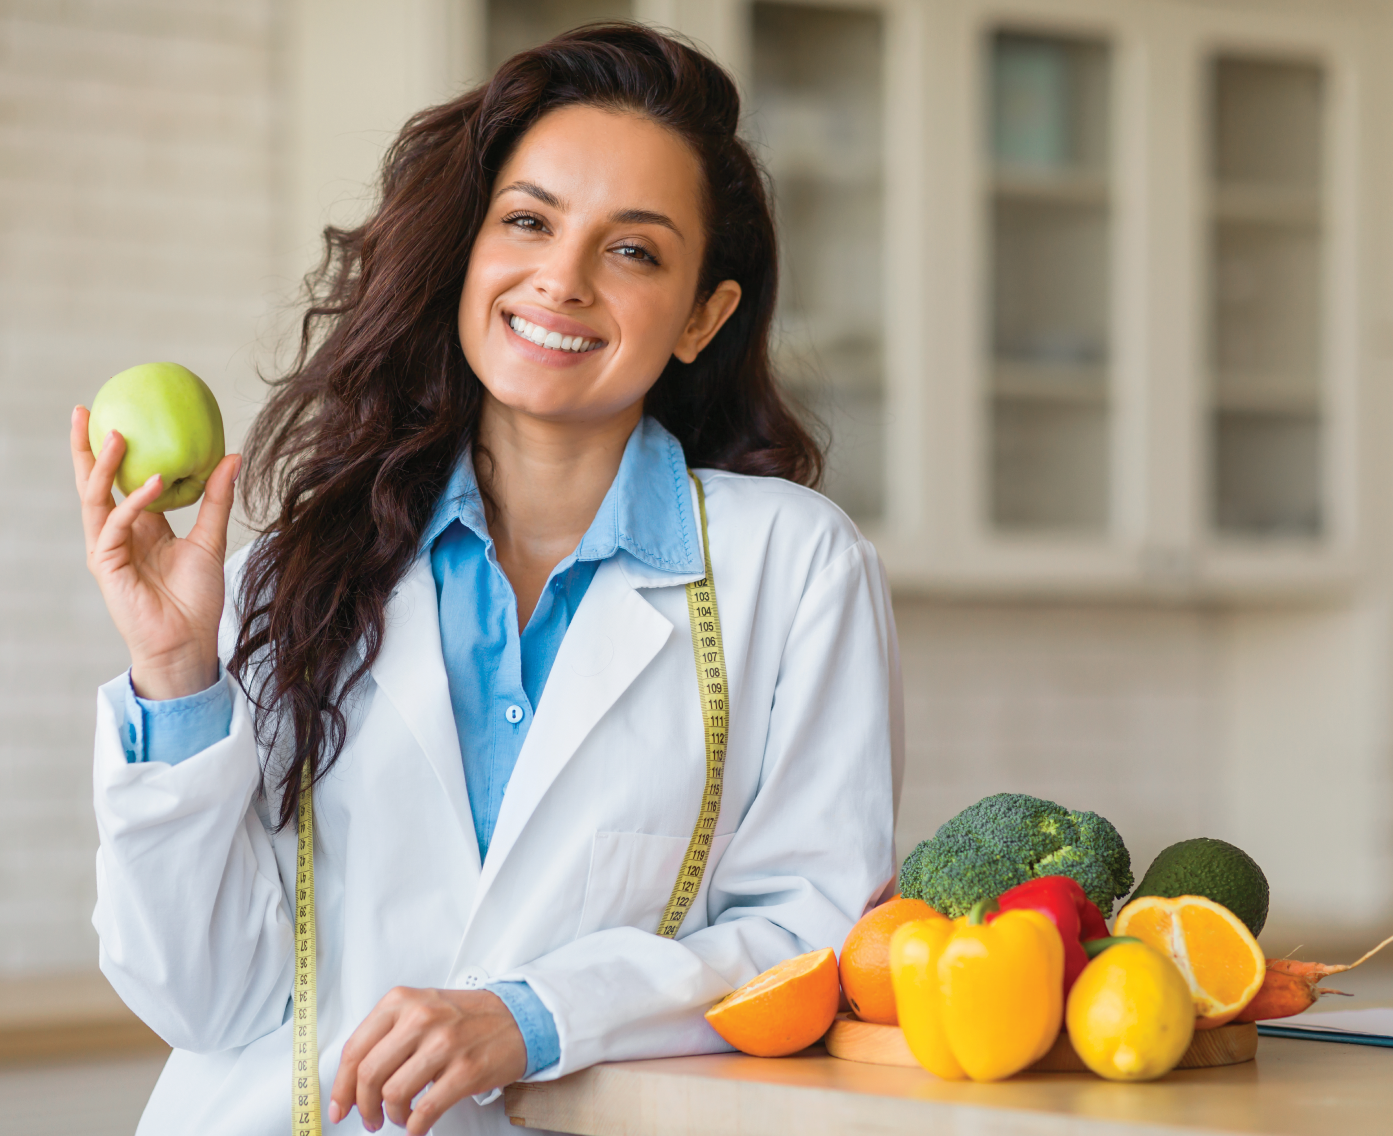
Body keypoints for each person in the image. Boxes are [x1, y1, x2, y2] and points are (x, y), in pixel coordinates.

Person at [71, 23, 901, 1136]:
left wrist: (531, 1014)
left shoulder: (793, 566)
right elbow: (200, 995)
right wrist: (174, 674)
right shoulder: (302, 566)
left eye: (635, 250)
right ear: (470, 251)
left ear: (705, 314)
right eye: (528, 221)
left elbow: (812, 935)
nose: (561, 278)